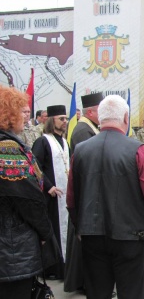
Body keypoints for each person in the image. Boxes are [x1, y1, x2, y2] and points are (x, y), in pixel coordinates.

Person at [66, 95, 144, 299]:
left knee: (97, 292)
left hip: (92, 235)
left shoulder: (80, 151)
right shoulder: (138, 150)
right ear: (126, 117)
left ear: (100, 118)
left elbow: (72, 198)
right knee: (131, 291)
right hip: (130, 237)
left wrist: (79, 226)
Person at [0, 86, 54, 298]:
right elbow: (29, 200)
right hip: (12, 250)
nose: (26, 117)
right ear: (8, 115)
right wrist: (45, 233)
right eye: (21, 112)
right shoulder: (7, 150)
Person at [64, 92, 103, 293]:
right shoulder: (82, 131)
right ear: (91, 111)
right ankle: (84, 283)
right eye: (100, 111)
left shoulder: (91, 128)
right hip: (86, 194)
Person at [32, 105, 70, 279]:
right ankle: (51, 269)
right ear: (51, 120)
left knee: (63, 229)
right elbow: (34, 166)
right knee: (53, 229)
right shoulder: (43, 141)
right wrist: (48, 186)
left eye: (66, 119)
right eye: (61, 118)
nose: (65, 122)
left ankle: (63, 266)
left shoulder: (64, 141)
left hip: (64, 195)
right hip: (51, 195)